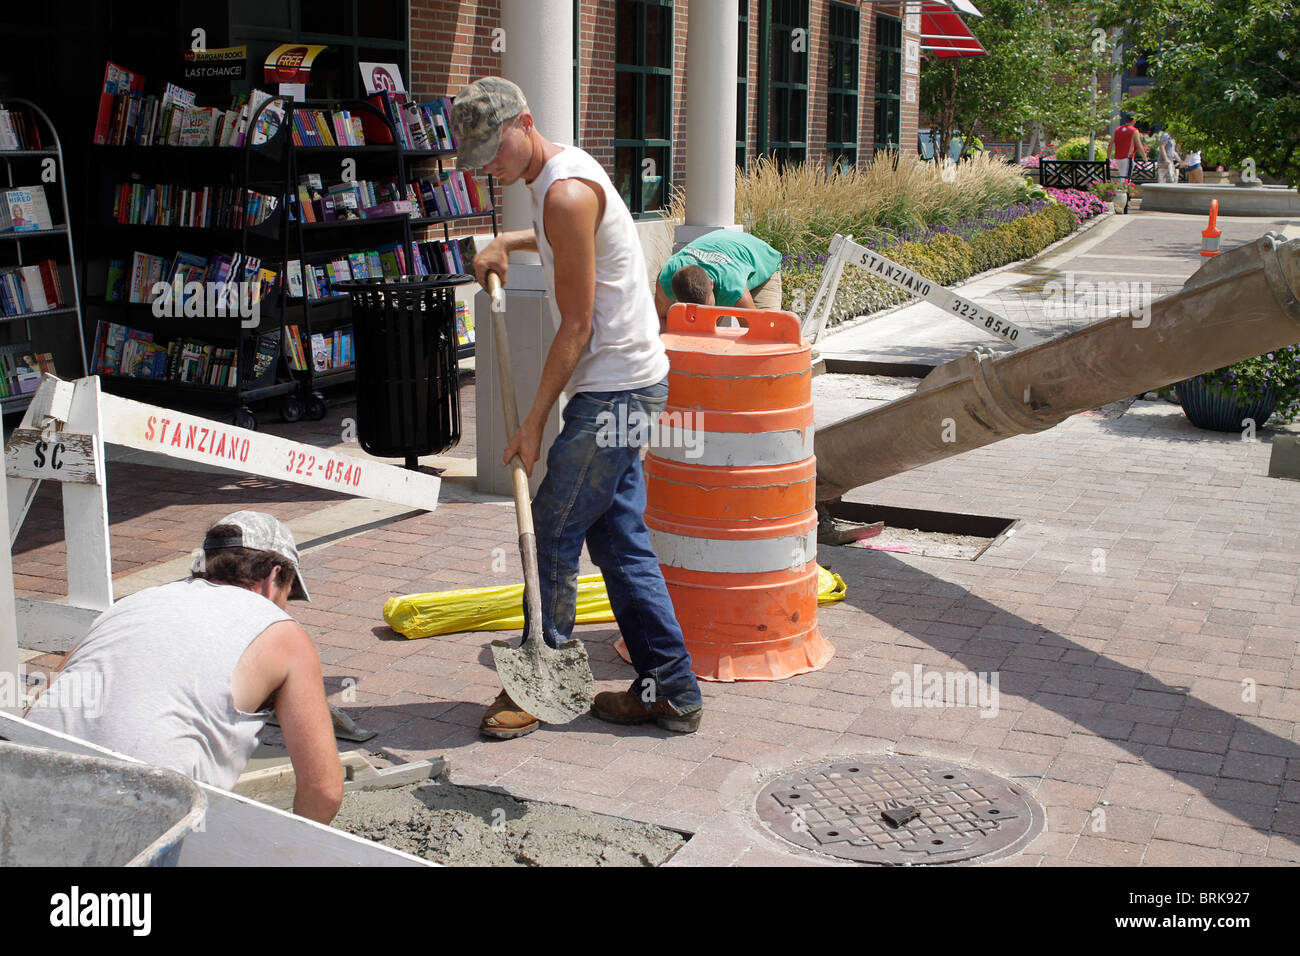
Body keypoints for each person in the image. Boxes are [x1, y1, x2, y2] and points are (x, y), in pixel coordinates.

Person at [450, 76, 703, 739]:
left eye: (494, 152)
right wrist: (512, 243)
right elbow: (567, 236)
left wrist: (533, 422)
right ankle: (670, 691)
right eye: (480, 161)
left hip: (615, 390)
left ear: (524, 122)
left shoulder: (561, 191)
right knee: (621, 546)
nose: (492, 168)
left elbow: (577, 328)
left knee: (555, 530)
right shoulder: (560, 178)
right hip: (631, 386)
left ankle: (541, 685)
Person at [25, 511, 344, 823]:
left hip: (24, 776)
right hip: (137, 812)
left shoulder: (133, 603)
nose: (285, 605)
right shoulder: (283, 632)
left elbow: (46, 698)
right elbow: (324, 790)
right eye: (288, 593)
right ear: (274, 576)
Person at [654, 229, 783, 328]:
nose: (702, 315)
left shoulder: (733, 288)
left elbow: (757, 333)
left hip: (760, 259)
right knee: (698, 332)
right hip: (725, 248)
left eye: (707, 308)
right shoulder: (667, 277)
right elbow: (661, 321)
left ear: (711, 284)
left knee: (767, 333)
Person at [1108, 114, 1148, 181]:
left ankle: (1121, 189)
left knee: (1122, 177)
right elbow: (1139, 145)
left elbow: (1110, 144)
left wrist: (1108, 157)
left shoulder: (1117, 129)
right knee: (1126, 179)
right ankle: (1124, 190)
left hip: (1118, 158)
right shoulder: (1134, 130)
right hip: (1127, 157)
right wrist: (1145, 157)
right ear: (1133, 120)